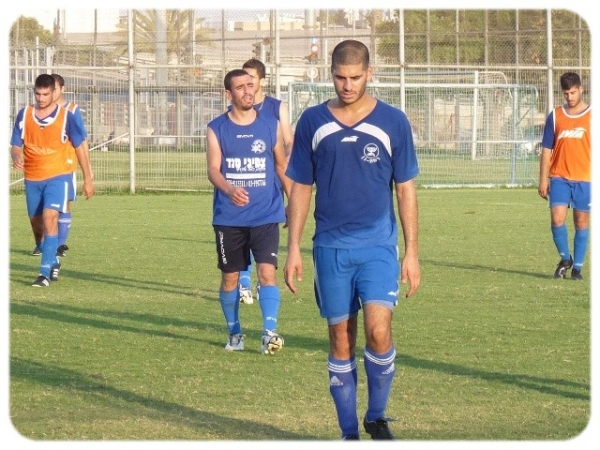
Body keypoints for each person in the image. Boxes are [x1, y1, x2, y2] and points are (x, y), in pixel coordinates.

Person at [283, 40, 421, 440]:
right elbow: (301, 188)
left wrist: (412, 252)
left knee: (379, 331)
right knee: (341, 339)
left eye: (356, 77)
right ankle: (348, 434)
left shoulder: (393, 121)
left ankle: (376, 417)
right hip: (330, 249)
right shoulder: (313, 121)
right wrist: (293, 249)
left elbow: (406, 189)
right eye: (340, 78)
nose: (347, 85)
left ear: (369, 73)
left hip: (378, 246)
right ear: (331, 74)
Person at [207, 68, 292, 354]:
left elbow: (281, 165)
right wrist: (230, 189)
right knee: (230, 278)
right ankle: (235, 333)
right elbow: (213, 170)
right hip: (229, 218)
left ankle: (269, 333)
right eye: (240, 87)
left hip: (266, 213)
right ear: (228, 94)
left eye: (250, 85)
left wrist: (293, 201)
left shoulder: (270, 124)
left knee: (267, 273)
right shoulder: (216, 128)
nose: (248, 91)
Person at [10, 73, 94, 287]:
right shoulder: (24, 114)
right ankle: (51, 256)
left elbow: (80, 146)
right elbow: (16, 144)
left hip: (59, 175)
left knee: (50, 218)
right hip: (32, 178)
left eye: (45, 94)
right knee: (37, 227)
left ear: (53, 92)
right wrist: (16, 156)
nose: (41, 98)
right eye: (37, 94)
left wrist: (88, 178)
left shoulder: (67, 116)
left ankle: (44, 273)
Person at [236, 58, 295, 305]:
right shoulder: (236, 106)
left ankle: (262, 279)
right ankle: (243, 282)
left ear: (261, 80)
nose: (247, 82)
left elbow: (289, 141)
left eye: (251, 77)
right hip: (243, 180)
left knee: (263, 231)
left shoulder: (276, 107)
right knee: (240, 230)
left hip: (270, 183)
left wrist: (287, 160)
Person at [30, 73, 91, 258]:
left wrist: (88, 171)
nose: (52, 93)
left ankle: (59, 245)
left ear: (61, 89)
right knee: (42, 208)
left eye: (54, 89)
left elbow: (81, 140)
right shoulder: (37, 112)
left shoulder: (71, 110)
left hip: (65, 165)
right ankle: (43, 243)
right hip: (42, 168)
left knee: (63, 204)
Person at [538, 72, 591, 280]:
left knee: (581, 223)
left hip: (586, 179)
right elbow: (546, 149)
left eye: (573, 92)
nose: (569, 97)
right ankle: (565, 259)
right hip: (559, 177)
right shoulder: (555, 116)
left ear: (581, 90)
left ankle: (577, 268)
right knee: (557, 219)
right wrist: (543, 179)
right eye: (566, 93)